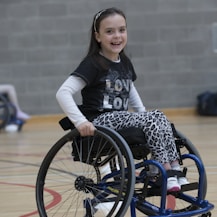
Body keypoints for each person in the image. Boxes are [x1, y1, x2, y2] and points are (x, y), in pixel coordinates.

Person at [56, 7, 188, 192]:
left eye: (122, 30)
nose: (117, 36)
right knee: (154, 117)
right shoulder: (93, 64)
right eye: (109, 31)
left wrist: (145, 116)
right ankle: (163, 171)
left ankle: (174, 167)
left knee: (159, 117)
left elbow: (130, 89)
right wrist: (80, 122)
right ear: (98, 36)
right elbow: (63, 92)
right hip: (101, 121)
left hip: (120, 120)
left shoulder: (124, 62)